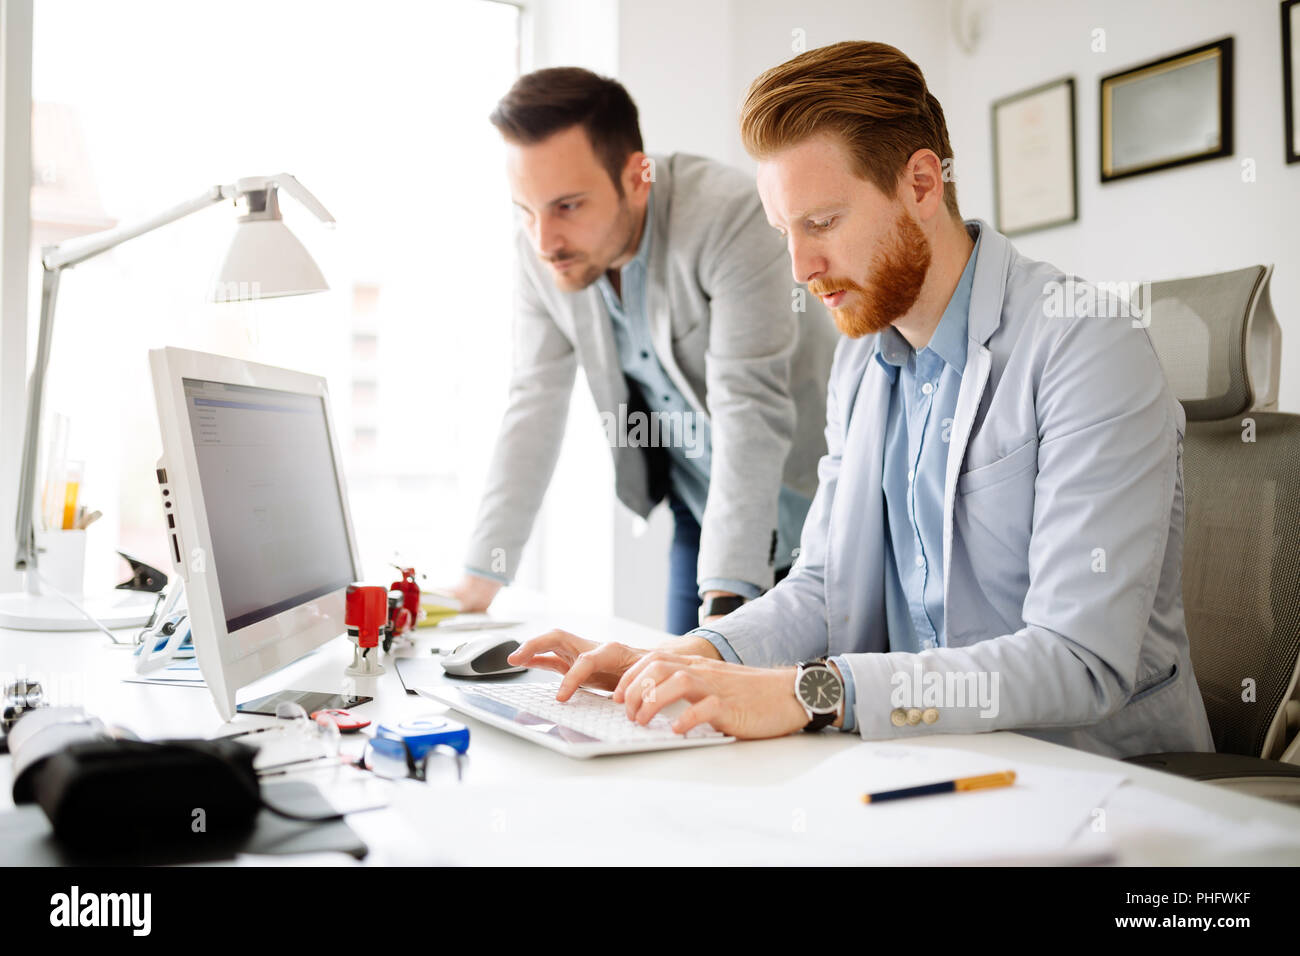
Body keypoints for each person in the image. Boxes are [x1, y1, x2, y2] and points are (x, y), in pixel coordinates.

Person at [508, 41, 1215, 759]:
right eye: (785, 233)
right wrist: (695, 656)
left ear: (921, 184)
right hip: (927, 764)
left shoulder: (1086, 345)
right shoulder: (864, 360)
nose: (800, 268)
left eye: (822, 223)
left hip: (1093, 779)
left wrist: (810, 691)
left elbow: (1076, 659)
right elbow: (822, 584)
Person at [448, 67, 836, 634]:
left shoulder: (729, 216)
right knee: (685, 708)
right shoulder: (541, 252)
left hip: (820, 505)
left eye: (567, 207)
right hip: (702, 510)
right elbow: (534, 402)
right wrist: (483, 572)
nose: (543, 241)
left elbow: (749, 411)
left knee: (816, 703)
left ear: (636, 178)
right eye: (525, 210)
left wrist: (726, 612)